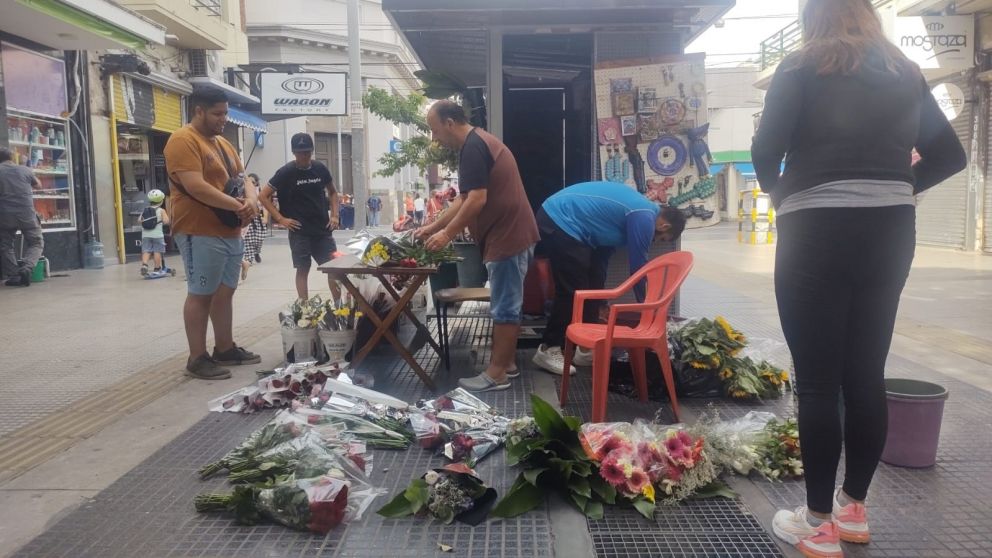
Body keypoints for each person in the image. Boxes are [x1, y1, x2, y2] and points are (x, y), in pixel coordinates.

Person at [750, 1, 967, 556]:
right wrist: (895, 187)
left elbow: (765, 148)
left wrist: (785, 195)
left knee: (819, 380)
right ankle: (852, 511)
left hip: (816, 230)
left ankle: (816, 523)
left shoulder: (801, 67)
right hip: (891, 232)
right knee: (866, 371)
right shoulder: (904, 71)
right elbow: (950, 154)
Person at [418, 99, 540, 392]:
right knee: (505, 303)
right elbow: (463, 198)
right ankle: (506, 364)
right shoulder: (476, 143)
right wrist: (433, 226)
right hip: (508, 234)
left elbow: (476, 200)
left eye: (435, 130)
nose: (435, 138)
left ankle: (496, 373)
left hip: (508, 235)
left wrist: (446, 235)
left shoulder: (474, 146)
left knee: (505, 307)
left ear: (449, 123)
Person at [533, 181, 686, 375]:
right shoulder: (644, 215)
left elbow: (602, 258)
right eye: (661, 237)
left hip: (576, 228)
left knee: (592, 288)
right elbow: (639, 269)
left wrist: (602, 299)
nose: (655, 241)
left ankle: (584, 350)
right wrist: (647, 310)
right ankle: (548, 348)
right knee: (572, 290)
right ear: (665, 225)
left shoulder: (633, 216)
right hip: (560, 217)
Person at [165, 87, 261, 380]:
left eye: (226, 113)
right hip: (199, 228)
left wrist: (251, 201)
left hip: (230, 229)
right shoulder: (183, 140)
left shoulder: (222, 143)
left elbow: (242, 178)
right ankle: (197, 357)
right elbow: (195, 186)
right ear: (199, 111)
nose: (223, 119)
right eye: (217, 114)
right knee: (201, 292)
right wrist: (238, 205)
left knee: (225, 291)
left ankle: (224, 347)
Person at [259, 132, 341, 301]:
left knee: (333, 268)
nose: (305, 156)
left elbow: (333, 192)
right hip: (299, 231)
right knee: (303, 269)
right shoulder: (285, 172)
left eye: (308, 152)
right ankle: (305, 309)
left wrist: (335, 216)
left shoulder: (320, 169)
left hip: (322, 230)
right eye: (300, 152)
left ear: (312, 151)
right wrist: (280, 219)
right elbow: (262, 196)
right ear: (294, 152)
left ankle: (340, 307)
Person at [0, 147, 43, 287]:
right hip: (26, 213)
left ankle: (14, 276)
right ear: (12, 158)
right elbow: (38, 186)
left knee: (5, 245)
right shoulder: (24, 170)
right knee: (36, 242)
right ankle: (27, 267)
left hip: (4, 214)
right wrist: (28, 169)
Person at [241, 173, 268, 280]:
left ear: (256, 182)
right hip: (250, 220)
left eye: (253, 182)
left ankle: (257, 252)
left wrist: (265, 217)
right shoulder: (245, 192)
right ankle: (249, 259)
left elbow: (265, 207)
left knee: (259, 239)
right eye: (249, 182)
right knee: (249, 240)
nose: (251, 184)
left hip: (260, 220)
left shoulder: (261, 193)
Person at [139, 189, 171, 277]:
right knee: (157, 251)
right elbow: (166, 221)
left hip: (145, 235)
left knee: (146, 250)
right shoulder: (161, 210)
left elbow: (139, 220)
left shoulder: (145, 210)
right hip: (157, 235)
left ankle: (144, 265)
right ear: (161, 201)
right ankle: (157, 269)